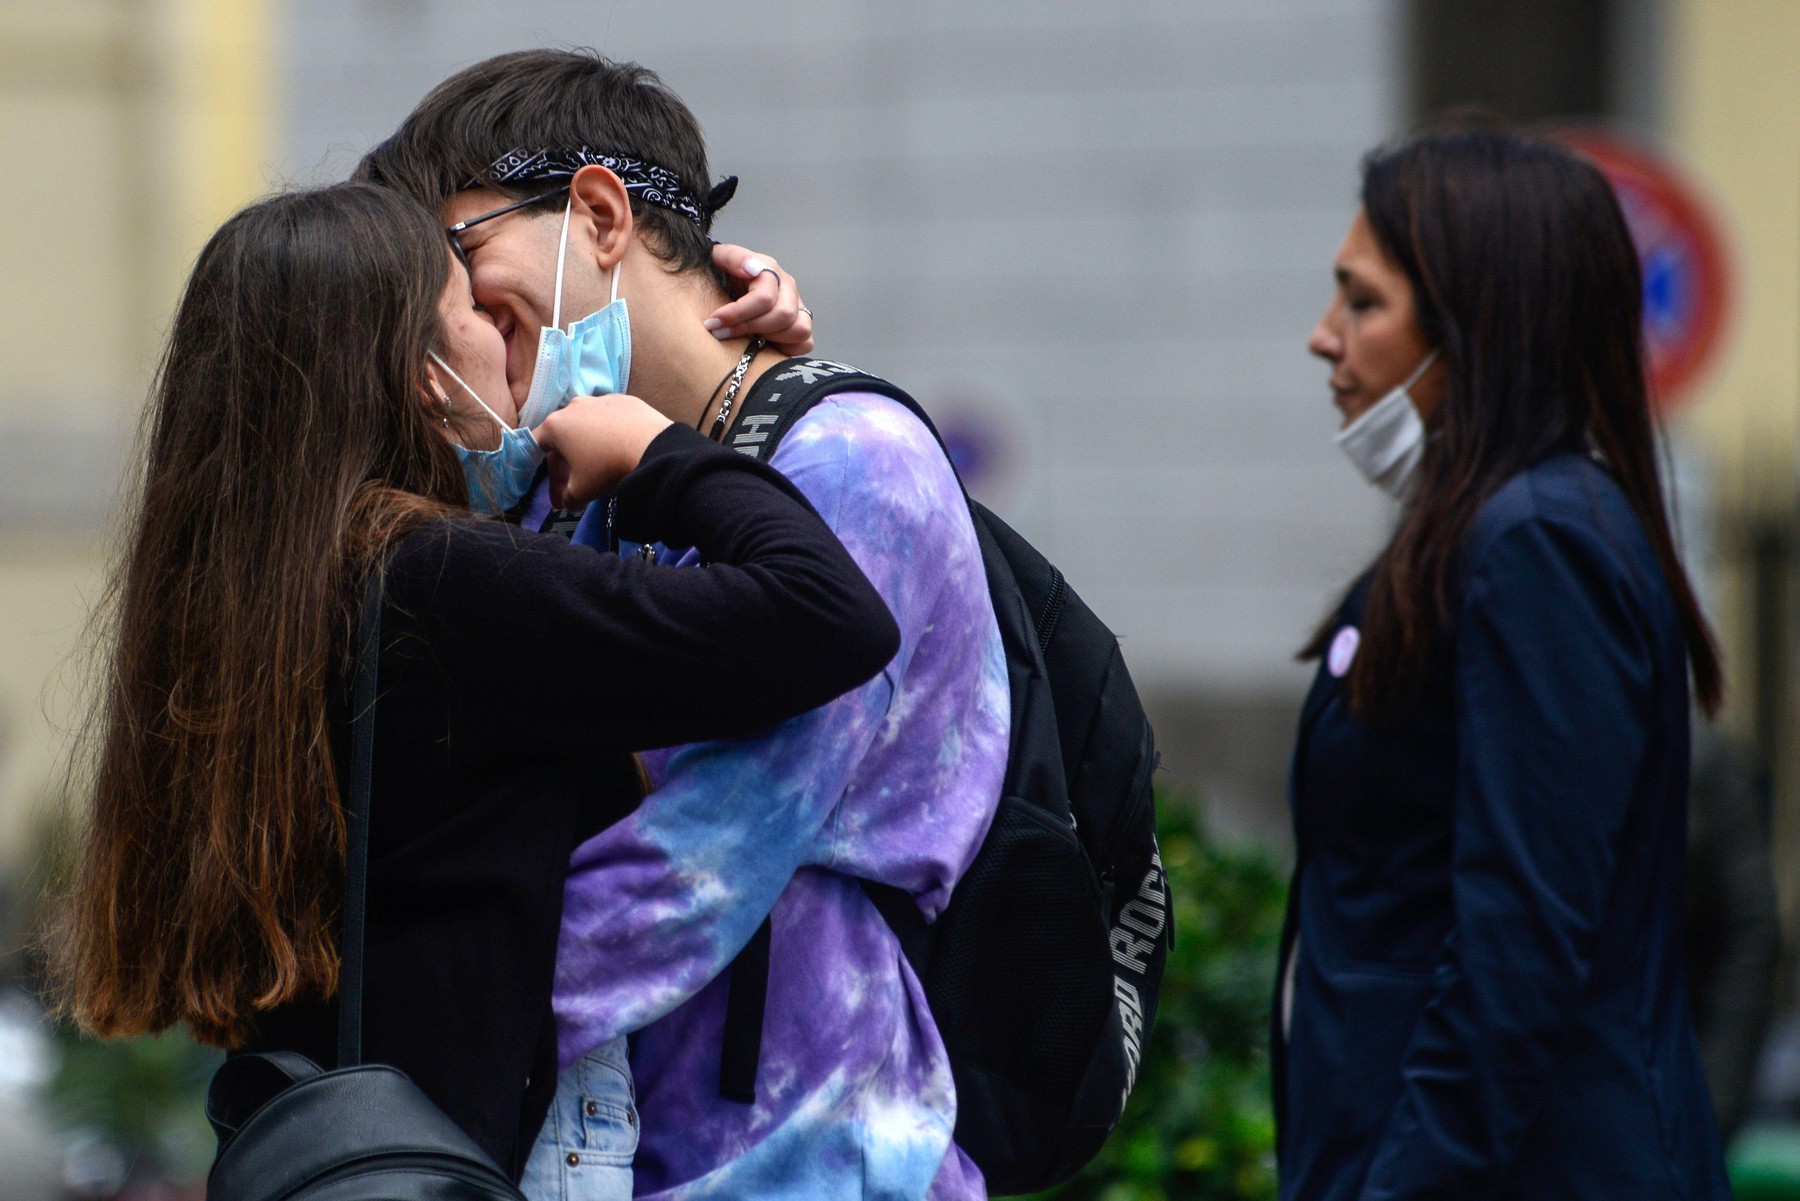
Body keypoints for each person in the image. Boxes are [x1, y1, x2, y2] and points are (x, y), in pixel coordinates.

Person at [46, 181, 900, 1183]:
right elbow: (828, 615)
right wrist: (660, 448)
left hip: (338, 1156)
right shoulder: (444, 587)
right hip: (489, 1157)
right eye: (482, 315)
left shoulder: (249, 594)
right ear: (423, 374)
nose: (512, 342)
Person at [355, 49, 1009, 1200]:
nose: (452, 315)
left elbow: (693, 869)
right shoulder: (586, 478)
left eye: (461, 262)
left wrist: (383, 1018)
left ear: (600, 213)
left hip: (802, 1158)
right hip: (651, 1146)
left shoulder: (852, 465)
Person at [1277, 126, 1731, 1200]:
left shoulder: (1538, 544)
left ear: (1476, 325)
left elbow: (1516, 952)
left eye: (1363, 301)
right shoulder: (1478, 536)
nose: (1322, 336)